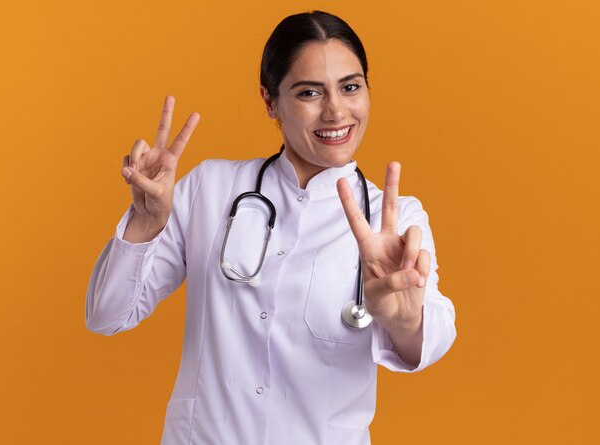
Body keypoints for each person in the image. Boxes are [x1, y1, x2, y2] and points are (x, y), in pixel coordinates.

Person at [85, 10, 456, 445]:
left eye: (351, 87)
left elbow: (429, 338)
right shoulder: (211, 188)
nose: (336, 111)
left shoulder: (394, 219)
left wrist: (405, 321)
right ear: (269, 101)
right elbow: (107, 315)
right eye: (309, 92)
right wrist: (146, 224)